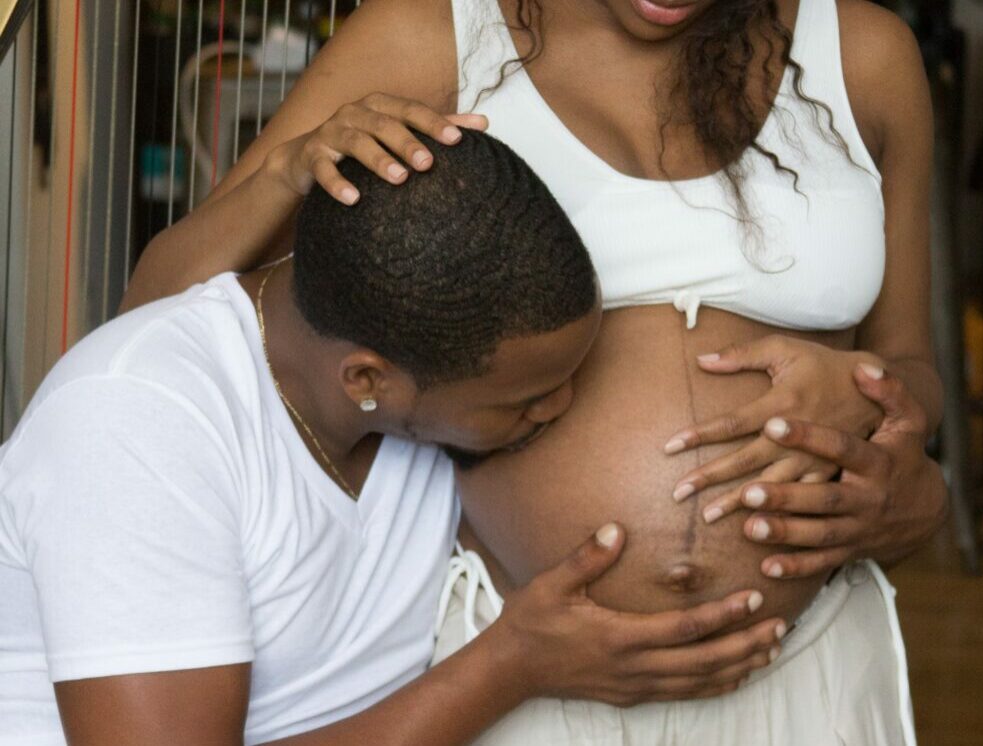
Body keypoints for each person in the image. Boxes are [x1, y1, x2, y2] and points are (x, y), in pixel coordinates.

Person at [123, 0, 949, 742]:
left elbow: (912, 364)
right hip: (515, 656)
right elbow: (159, 315)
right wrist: (285, 169)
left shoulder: (862, 55)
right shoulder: (432, 33)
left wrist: (872, 397)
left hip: (803, 660)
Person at [0, 133, 788, 746]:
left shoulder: (394, 359)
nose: (562, 408)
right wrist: (514, 665)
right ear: (368, 381)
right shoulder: (136, 426)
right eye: (525, 399)